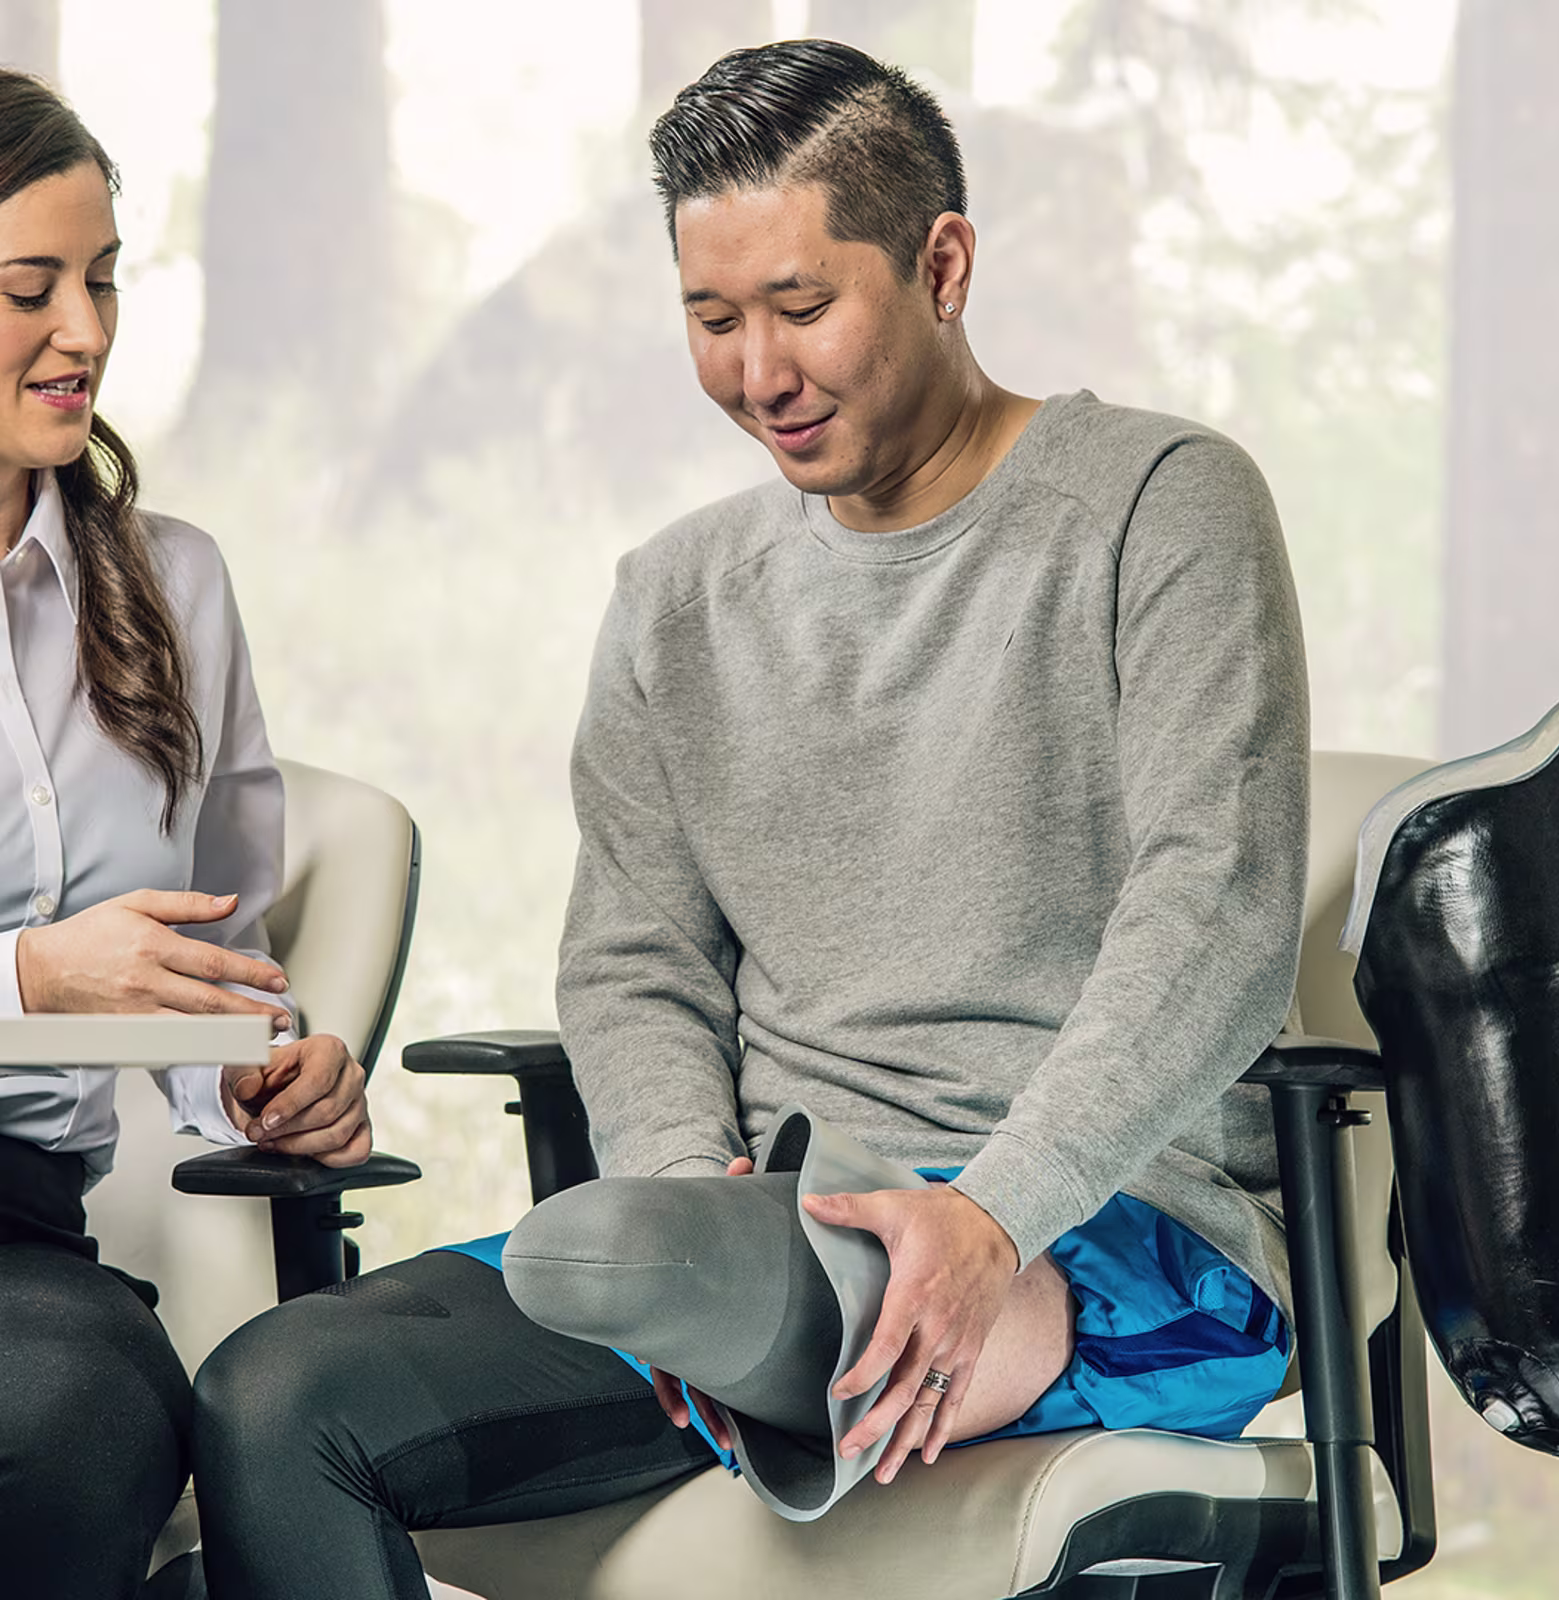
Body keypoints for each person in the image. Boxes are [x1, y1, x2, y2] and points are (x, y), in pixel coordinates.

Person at [191, 38, 1308, 1597]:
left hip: (1098, 1228)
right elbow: (635, 958)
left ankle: (742, 1294)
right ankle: (715, 1278)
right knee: (274, 1400)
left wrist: (988, 1216)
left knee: (802, 1298)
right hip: (758, 1224)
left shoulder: (1159, 504)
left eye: (801, 307)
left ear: (944, 262)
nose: (757, 373)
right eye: (712, 320)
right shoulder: (676, 602)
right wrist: (680, 1171)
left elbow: (1220, 915)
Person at [0, 70, 373, 1598]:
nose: (85, 333)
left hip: (20, 1246)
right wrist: (30, 979)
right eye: (31, 288)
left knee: (77, 1424)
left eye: (101, 282)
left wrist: (268, 1080)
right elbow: (71, 979)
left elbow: (221, 968)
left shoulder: (176, 589)